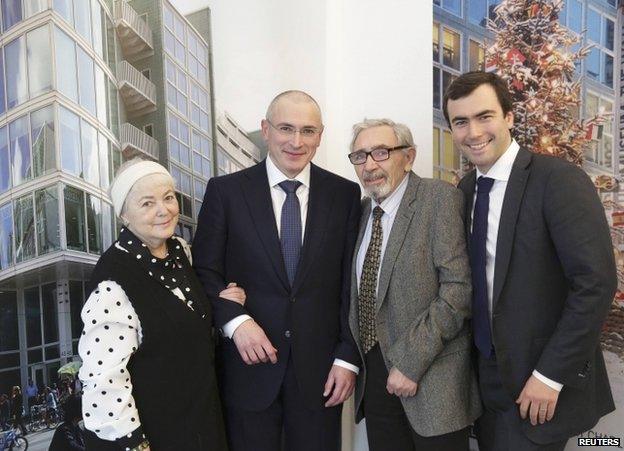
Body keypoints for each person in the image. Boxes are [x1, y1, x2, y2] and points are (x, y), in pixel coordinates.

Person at [444, 71, 617, 450]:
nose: (473, 132)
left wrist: (551, 375)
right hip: (484, 377)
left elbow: (596, 283)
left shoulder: (558, 180)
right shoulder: (467, 190)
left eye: (484, 116)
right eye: (461, 122)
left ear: (508, 117)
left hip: (538, 379)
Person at [193, 90, 361, 451]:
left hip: (322, 377)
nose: (296, 142)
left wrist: (348, 356)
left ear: (320, 135)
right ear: (265, 129)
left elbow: (353, 285)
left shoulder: (345, 195)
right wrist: (236, 322)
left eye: (308, 131)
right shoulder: (225, 192)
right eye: (286, 128)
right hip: (247, 374)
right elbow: (204, 273)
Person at [78, 158, 242, 450]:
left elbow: (181, 317)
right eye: (147, 203)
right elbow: (104, 379)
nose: (163, 210)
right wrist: (136, 445)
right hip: (159, 434)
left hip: (203, 422)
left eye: (168, 198)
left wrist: (219, 301)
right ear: (124, 215)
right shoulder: (113, 281)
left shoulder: (180, 251)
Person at [347, 119, 481, 450]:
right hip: (375, 374)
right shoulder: (363, 212)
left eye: (381, 152)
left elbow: (457, 291)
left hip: (432, 376)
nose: (370, 165)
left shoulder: (439, 199)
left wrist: (409, 363)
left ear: (408, 157)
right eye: (360, 156)